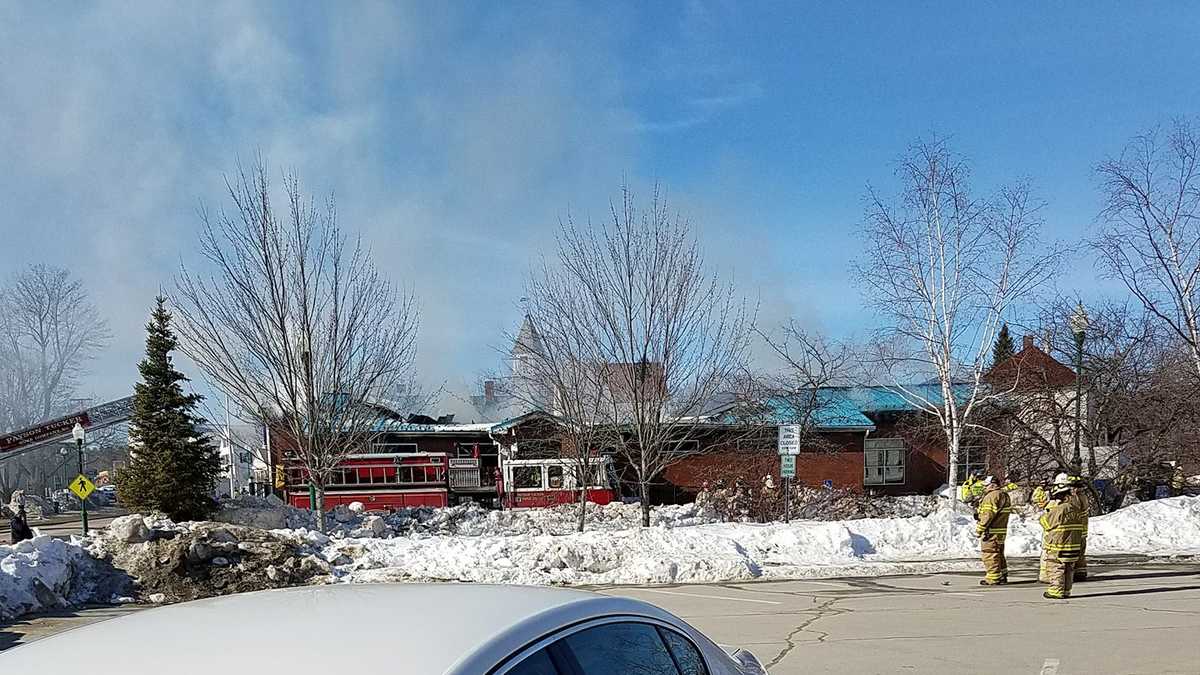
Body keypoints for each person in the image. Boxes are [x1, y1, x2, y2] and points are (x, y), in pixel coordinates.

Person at [1040, 480, 1086, 600]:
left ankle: (1056, 591)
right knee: (1068, 568)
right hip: (1073, 545)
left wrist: (1050, 510)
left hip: (1058, 545)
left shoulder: (1059, 509)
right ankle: (1066, 590)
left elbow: (1045, 523)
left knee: (1056, 567)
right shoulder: (1076, 509)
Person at [975, 476, 1012, 585]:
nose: (984, 488)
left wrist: (980, 529)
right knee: (999, 553)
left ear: (993, 485)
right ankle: (1002, 575)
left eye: (986, 485)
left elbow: (988, 514)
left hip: (991, 531)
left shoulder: (992, 496)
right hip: (1000, 531)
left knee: (990, 553)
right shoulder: (1004, 495)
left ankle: (993, 578)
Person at [1067, 476, 1091, 581]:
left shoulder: (1075, 497)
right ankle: (1081, 572)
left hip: (1076, 529)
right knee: (1081, 552)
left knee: (1074, 551)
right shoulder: (1083, 496)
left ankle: (1073, 573)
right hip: (1082, 529)